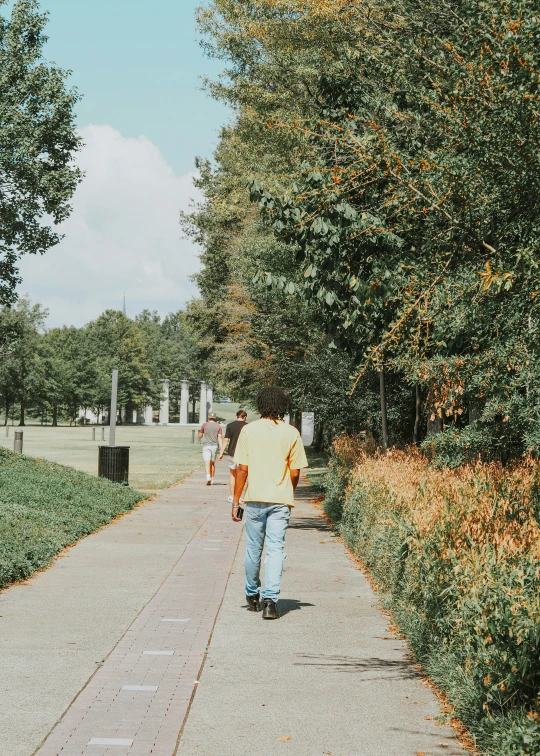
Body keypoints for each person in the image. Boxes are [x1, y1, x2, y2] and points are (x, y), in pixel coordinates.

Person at [232, 387, 308, 620]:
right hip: (280, 500)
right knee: (276, 550)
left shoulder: (248, 431)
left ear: (260, 404)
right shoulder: (291, 433)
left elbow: (242, 469)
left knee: (253, 548)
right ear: (281, 406)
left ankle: (252, 593)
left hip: (254, 498)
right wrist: (287, 491)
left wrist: (236, 501)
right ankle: (270, 601)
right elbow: (295, 472)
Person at [219, 409, 248, 504]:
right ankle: (241, 497)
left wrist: (221, 452)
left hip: (232, 452)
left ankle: (232, 496)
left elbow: (226, 440)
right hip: (244, 454)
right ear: (245, 417)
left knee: (233, 474)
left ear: (237, 416)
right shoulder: (247, 426)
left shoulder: (230, 425)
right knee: (243, 475)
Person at [199, 412, 222, 486]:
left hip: (206, 445)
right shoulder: (218, 426)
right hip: (214, 446)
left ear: (208, 417)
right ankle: (212, 480)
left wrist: (201, 433)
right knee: (212, 463)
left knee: (206, 462)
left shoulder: (204, 425)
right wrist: (221, 449)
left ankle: (208, 477)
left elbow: (200, 436)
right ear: (215, 417)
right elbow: (220, 437)